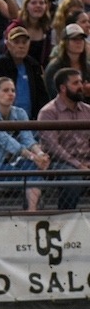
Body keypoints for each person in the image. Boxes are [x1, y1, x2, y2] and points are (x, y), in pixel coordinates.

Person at [0, 76, 50, 210]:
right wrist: (33, 157)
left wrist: (40, 155)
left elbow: (28, 138)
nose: (10, 94)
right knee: (31, 172)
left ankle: (31, 209)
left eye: (13, 90)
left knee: (33, 168)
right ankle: (33, 209)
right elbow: (7, 142)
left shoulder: (20, 113)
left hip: (13, 162)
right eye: (5, 90)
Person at [38, 66, 90, 208]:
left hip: (86, 160)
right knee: (72, 177)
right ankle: (66, 216)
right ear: (63, 88)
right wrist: (79, 165)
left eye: (81, 82)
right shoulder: (48, 112)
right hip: (59, 163)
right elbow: (53, 147)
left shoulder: (87, 111)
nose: (81, 86)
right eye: (75, 83)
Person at [0, 23, 50, 117]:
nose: (21, 46)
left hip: (31, 119)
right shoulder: (0, 65)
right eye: (16, 42)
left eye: (24, 42)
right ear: (8, 45)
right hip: (6, 118)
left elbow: (42, 96)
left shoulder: (33, 65)